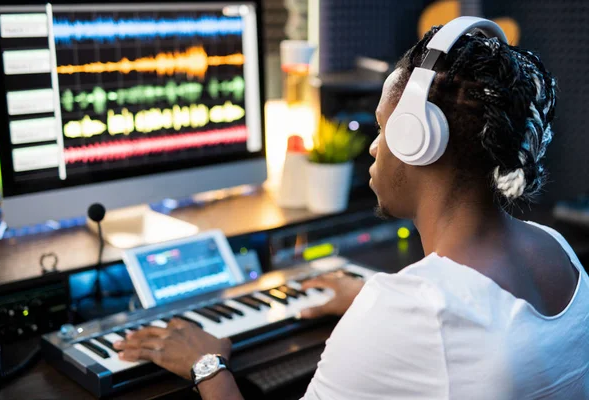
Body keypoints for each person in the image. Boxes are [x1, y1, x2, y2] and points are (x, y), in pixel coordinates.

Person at [114, 19, 589, 399]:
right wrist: (367, 297)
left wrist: (207, 366)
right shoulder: (558, 250)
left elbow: (438, 323)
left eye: (383, 131)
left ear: (417, 141)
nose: (373, 149)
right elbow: (463, 335)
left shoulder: (408, 309)